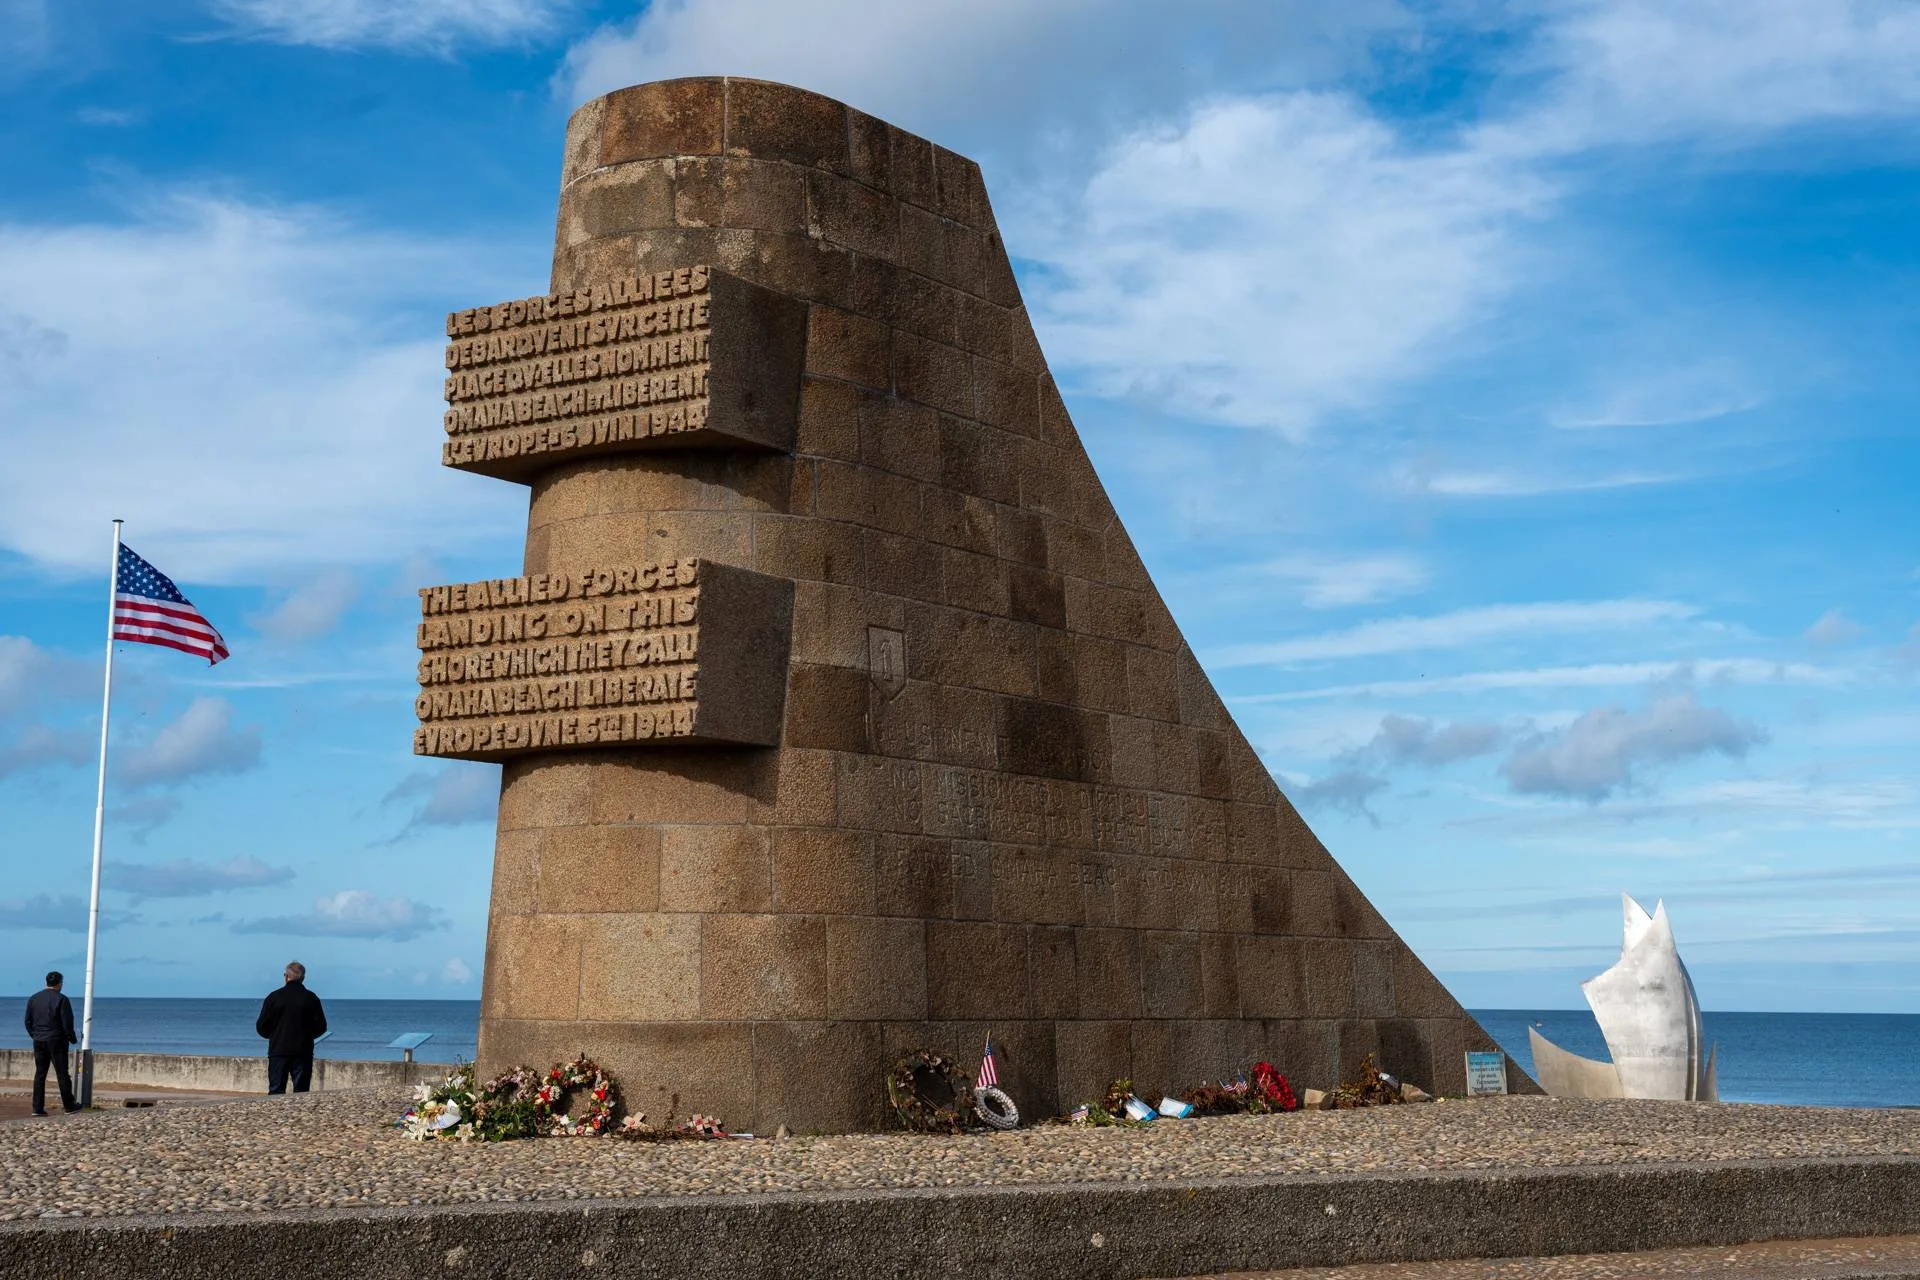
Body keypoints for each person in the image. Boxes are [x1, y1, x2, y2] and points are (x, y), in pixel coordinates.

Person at [255, 961, 327, 1095]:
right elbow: (321, 1026)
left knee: (276, 1091)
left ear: (285, 976)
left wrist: (274, 1036)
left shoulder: (274, 997)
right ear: (303, 978)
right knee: (301, 1092)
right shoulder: (311, 998)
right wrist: (308, 1036)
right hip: (303, 1051)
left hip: (278, 1050)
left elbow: (261, 1026)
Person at [23, 971, 79, 1116]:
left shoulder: (34, 999)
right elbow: (67, 1023)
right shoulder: (62, 999)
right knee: (62, 1074)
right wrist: (72, 1038)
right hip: (57, 1040)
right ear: (59, 983)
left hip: (39, 1040)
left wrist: (35, 1035)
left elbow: (28, 1021)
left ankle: (37, 1108)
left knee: (40, 1074)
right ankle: (69, 1105)